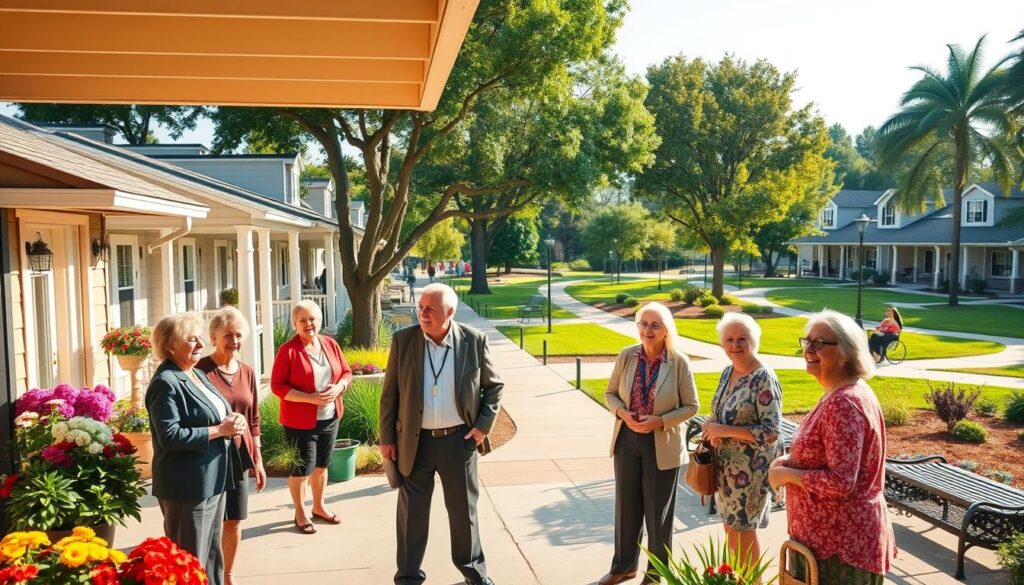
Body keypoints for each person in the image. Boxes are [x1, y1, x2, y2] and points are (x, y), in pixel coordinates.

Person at [380, 283, 503, 585]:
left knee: (464, 512)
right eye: (421, 307)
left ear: (449, 312)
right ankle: (408, 576)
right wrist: (386, 440)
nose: (422, 313)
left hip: (458, 441)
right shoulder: (403, 341)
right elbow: (389, 396)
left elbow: (494, 387)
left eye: (430, 308)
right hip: (414, 442)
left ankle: (474, 573)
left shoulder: (474, 341)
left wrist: (482, 426)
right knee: (411, 516)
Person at [768, 310, 896, 584]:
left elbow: (841, 481)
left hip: (840, 551)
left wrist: (789, 475)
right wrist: (789, 461)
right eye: (808, 341)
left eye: (819, 344)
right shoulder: (839, 393)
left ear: (846, 352)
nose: (809, 350)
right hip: (826, 545)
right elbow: (829, 456)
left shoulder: (844, 403)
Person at [599, 302, 699, 585]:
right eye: (643, 323)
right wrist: (622, 412)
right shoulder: (627, 356)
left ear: (667, 329)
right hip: (627, 439)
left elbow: (692, 406)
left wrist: (661, 420)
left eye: (655, 325)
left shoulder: (678, 361)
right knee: (626, 508)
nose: (647, 330)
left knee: (658, 514)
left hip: (661, 443)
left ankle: (656, 574)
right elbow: (610, 394)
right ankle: (623, 567)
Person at [146, 312, 247, 585]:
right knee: (188, 560)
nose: (200, 344)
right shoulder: (165, 382)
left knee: (213, 555)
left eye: (200, 338)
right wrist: (219, 431)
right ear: (170, 346)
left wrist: (234, 419)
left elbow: (217, 412)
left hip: (213, 478)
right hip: (186, 485)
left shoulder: (196, 373)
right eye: (192, 339)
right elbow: (170, 435)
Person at [701, 313, 782, 576]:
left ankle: (752, 582)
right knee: (730, 529)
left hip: (750, 472)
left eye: (742, 339)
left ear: (754, 341)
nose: (735, 345)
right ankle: (738, 580)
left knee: (743, 533)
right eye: (729, 339)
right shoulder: (728, 371)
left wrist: (723, 430)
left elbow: (771, 432)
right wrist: (712, 427)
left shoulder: (763, 377)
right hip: (725, 470)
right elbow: (722, 410)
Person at [196, 307, 266, 585]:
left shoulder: (247, 372)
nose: (234, 341)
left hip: (239, 455)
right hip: (210, 455)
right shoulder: (200, 370)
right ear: (214, 336)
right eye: (228, 335)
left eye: (238, 335)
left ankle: (228, 574)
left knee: (234, 519)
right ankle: (204, 574)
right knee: (209, 522)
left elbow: (254, 419)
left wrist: (258, 460)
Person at [271, 300, 353, 535]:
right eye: (303, 320)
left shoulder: (330, 344)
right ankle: (300, 512)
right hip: (299, 421)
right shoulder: (287, 351)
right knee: (302, 468)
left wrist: (339, 388)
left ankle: (319, 507)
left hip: (330, 417)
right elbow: (277, 386)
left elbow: (346, 372)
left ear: (320, 320)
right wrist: (311, 399)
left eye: (313, 319)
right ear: (294, 323)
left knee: (322, 465)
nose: (309, 324)